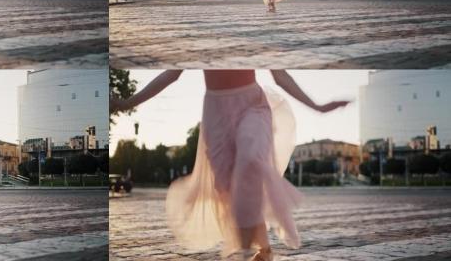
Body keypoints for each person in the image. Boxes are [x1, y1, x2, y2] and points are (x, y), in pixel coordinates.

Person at [110, 70, 350, 261]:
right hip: (216, 114)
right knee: (229, 190)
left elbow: (279, 74)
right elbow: (171, 74)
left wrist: (317, 107)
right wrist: (126, 103)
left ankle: (244, 255)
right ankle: (264, 249)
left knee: (251, 159)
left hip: (252, 105)